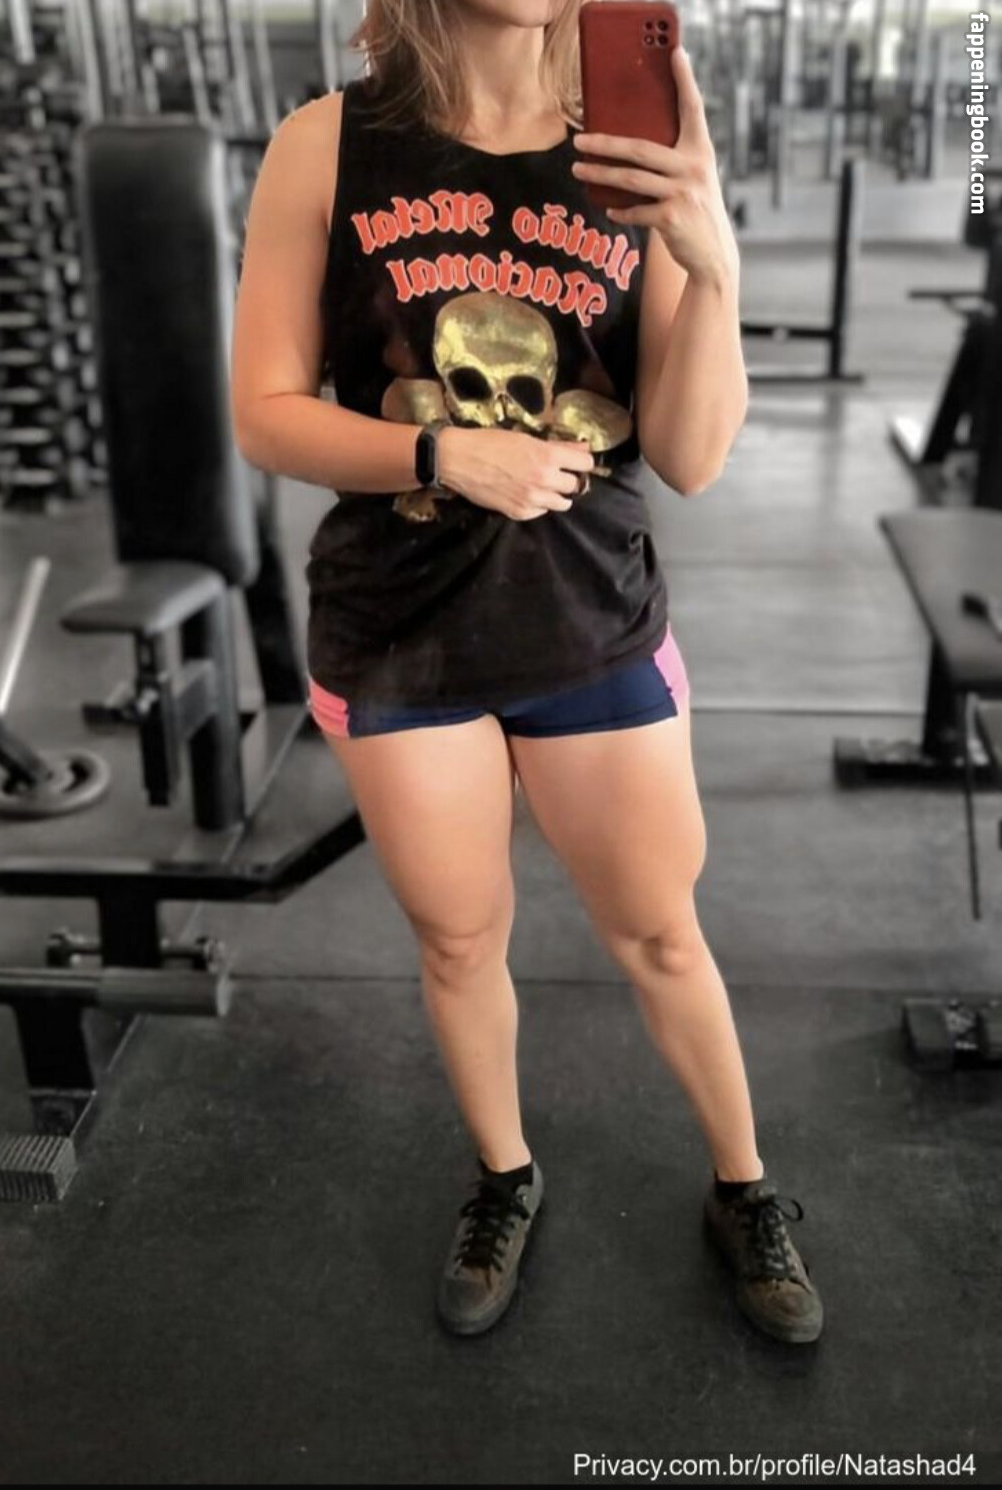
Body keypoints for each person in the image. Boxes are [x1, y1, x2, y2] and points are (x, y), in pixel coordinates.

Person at [230, 0, 823, 1347]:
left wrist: (714, 263)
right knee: (457, 938)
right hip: (399, 627)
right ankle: (505, 1177)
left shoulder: (636, 143)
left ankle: (745, 1187)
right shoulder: (324, 146)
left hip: (588, 618)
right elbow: (264, 413)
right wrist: (445, 455)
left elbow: (690, 455)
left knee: (661, 932)